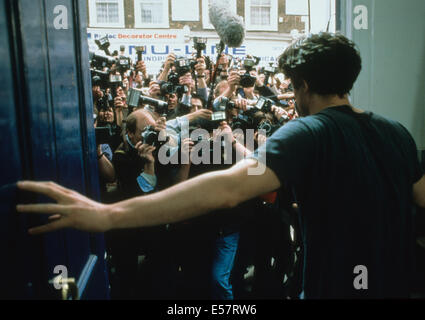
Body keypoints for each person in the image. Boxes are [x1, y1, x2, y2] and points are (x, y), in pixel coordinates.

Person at [17, 32, 425, 299]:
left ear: (301, 85)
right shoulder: (397, 133)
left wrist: (108, 215)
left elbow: (225, 189)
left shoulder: (308, 133)